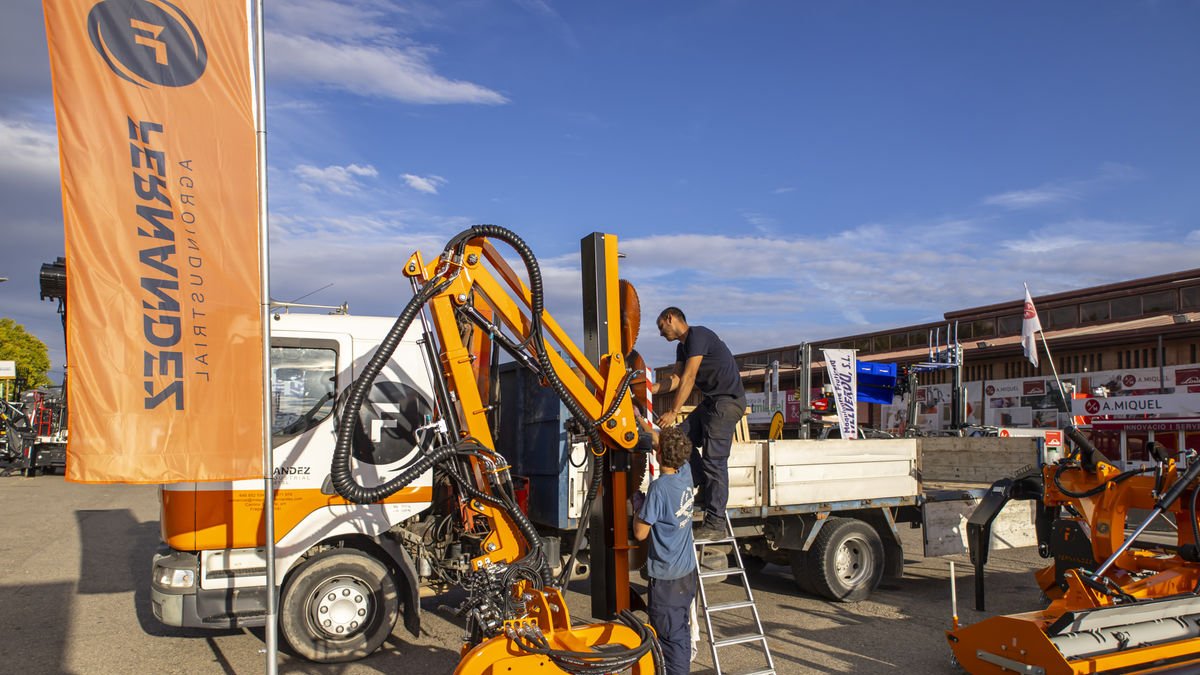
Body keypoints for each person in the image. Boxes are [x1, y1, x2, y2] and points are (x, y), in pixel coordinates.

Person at [652, 307, 745, 541]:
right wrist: (646, 390)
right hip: (712, 402)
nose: (661, 333)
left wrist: (673, 411)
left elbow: (689, 377)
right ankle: (702, 481)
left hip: (727, 403)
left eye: (661, 326)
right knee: (679, 440)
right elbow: (675, 379)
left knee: (714, 460)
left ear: (670, 318)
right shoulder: (682, 347)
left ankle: (715, 523)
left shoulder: (698, 336)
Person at [634, 426, 698, 675]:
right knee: (677, 630)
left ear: (658, 454)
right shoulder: (686, 473)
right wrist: (641, 420)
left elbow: (641, 532)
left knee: (671, 639)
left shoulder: (659, 489)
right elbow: (669, 446)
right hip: (685, 574)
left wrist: (639, 506)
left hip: (667, 580)